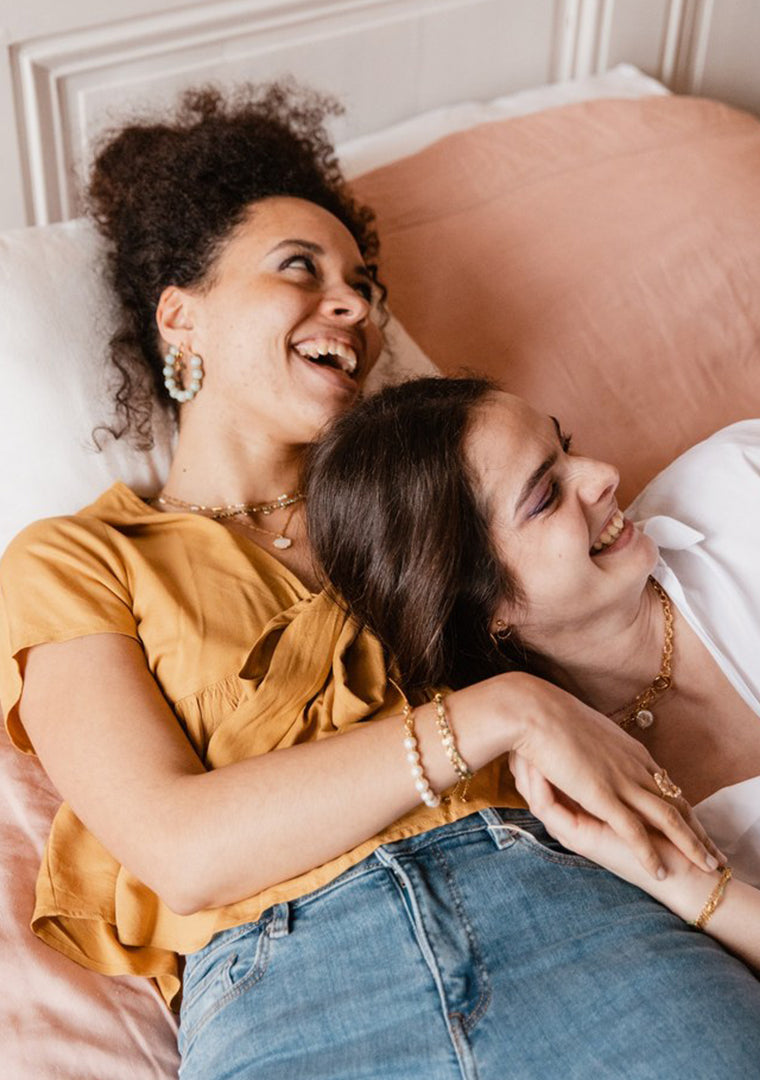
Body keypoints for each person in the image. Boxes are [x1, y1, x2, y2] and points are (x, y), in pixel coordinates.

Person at [0, 82, 756, 1080]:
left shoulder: (434, 509)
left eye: (361, 281)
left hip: (579, 921)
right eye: (299, 269)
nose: (353, 304)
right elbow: (179, 848)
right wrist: (498, 716)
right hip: (289, 991)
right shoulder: (76, 559)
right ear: (180, 316)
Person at [305, 375, 760, 972]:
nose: (602, 475)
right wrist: (680, 882)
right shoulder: (558, 809)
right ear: (482, 606)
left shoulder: (741, 485)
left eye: (565, 444)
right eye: (545, 496)